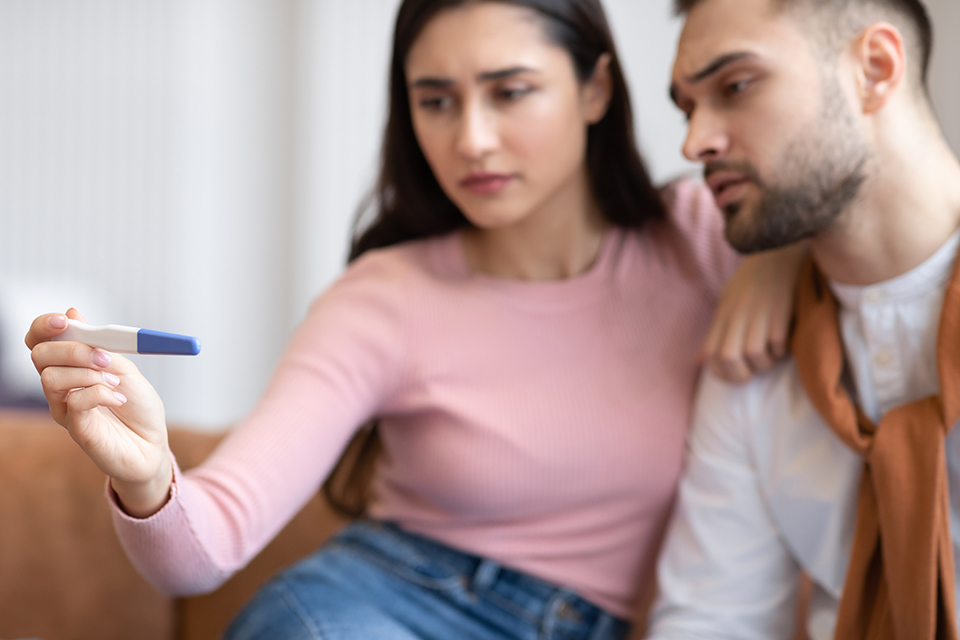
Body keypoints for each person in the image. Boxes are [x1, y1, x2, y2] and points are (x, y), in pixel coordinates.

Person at [25, 1, 801, 639]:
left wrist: (775, 261)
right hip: (381, 608)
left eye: (511, 91)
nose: (471, 139)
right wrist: (145, 473)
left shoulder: (706, 237)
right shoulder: (385, 297)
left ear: (596, 88)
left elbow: (862, 222)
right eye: (436, 100)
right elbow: (209, 542)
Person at [647, 0, 960, 638]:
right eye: (687, 107)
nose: (694, 141)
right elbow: (712, 618)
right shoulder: (753, 359)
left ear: (874, 68)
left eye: (735, 87)